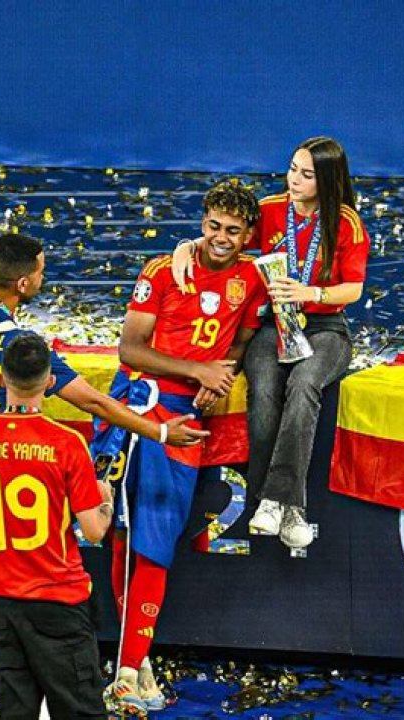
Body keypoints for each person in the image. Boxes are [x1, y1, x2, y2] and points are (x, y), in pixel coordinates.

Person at [0, 232, 205, 715]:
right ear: (25, 282)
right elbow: (93, 403)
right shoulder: (20, 349)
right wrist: (159, 432)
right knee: (2, 579)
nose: (44, 278)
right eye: (42, 272)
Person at [91, 179, 267, 716]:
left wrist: (222, 374)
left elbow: (241, 339)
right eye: (212, 226)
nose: (220, 237)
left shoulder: (251, 279)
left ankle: (133, 660)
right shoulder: (164, 270)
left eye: (232, 230)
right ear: (202, 222)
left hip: (188, 421)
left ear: (248, 235)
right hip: (141, 411)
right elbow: (130, 349)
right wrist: (197, 370)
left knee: (157, 538)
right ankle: (128, 669)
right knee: (128, 533)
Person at [172, 137, 370, 550]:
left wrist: (310, 293)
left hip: (325, 328)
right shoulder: (271, 209)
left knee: (304, 384)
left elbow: (353, 289)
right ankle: (281, 506)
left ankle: (280, 502)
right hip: (273, 325)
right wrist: (186, 247)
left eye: (306, 174)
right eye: (293, 169)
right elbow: (226, 237)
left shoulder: (346, 222)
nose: (294, 179)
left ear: (327, 180)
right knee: (263, 389)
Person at [0, 333, 112, 719]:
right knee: (80, 710)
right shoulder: (66, 443)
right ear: (50, 382)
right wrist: (105, 500)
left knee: (15, 710)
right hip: (58, 602)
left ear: (2, 378)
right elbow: (94, 531)